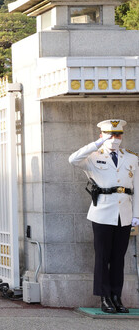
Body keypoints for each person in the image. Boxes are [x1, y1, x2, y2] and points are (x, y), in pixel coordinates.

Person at [69, 119, 138, 314]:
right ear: (102, 135)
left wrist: (137, 215)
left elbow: (138, 188)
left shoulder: (131, 158)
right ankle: (104, 298)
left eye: (118, 135)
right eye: (110, 135)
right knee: (102, 256)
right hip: (102, 214)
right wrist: (95, 145)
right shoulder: (93, 156)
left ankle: (117, 296)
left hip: (124, 214)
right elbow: (72, 159)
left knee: (118, 258)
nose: (114, 139)